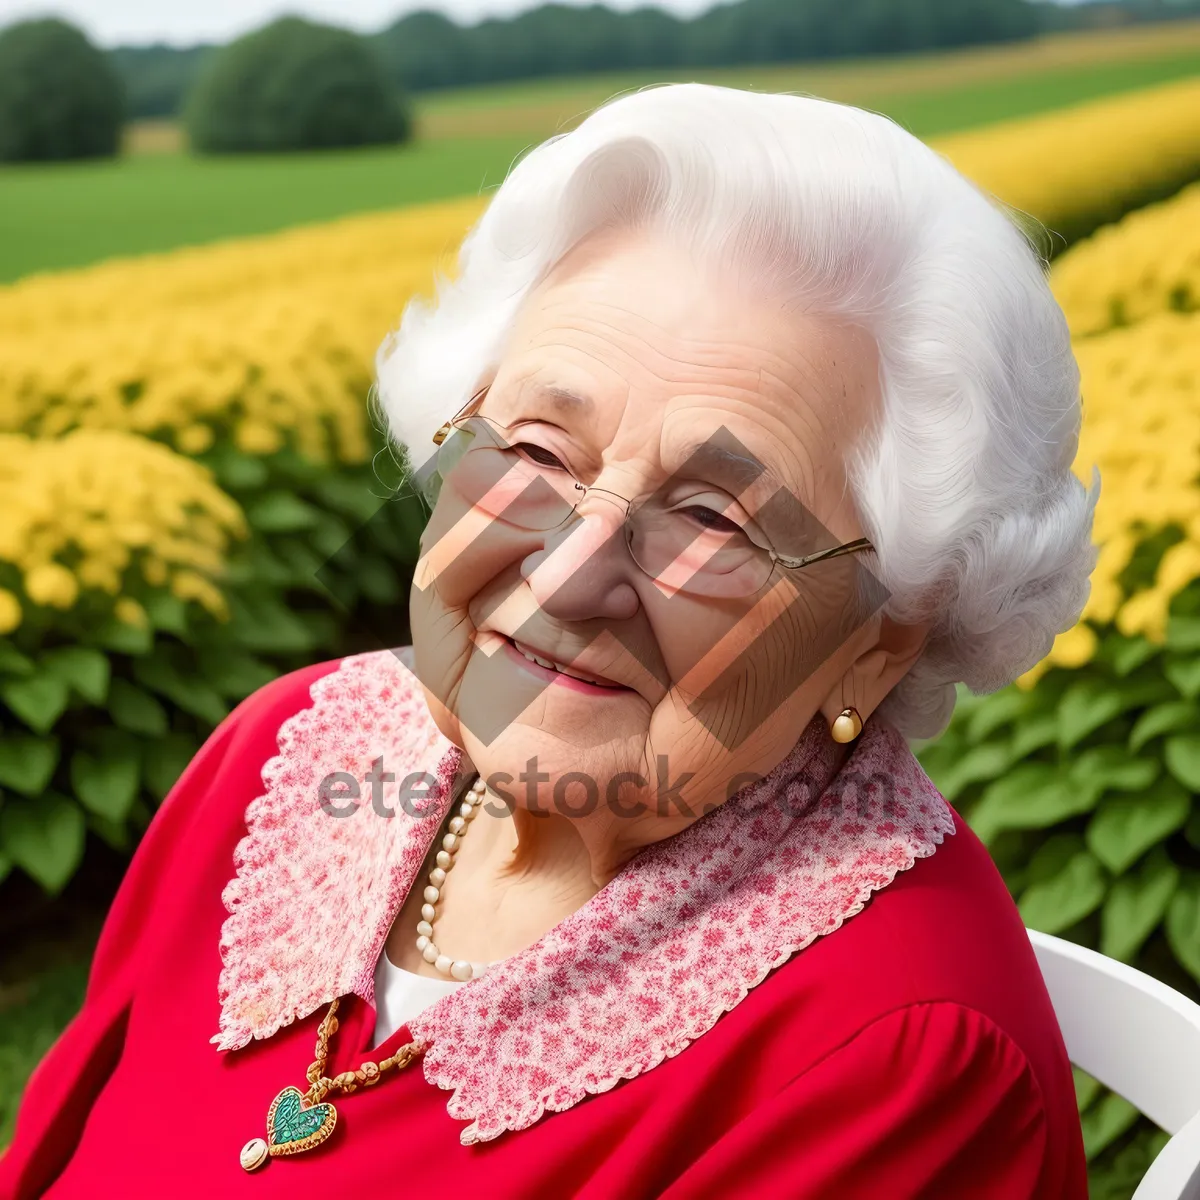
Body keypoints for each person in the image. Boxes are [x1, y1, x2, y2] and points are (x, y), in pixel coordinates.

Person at [1, 83, 1097, 1199]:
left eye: (716, 520)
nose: (571, 572)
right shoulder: (282, 753)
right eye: (535, 451)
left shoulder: (905, 1063)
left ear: (884, 638)